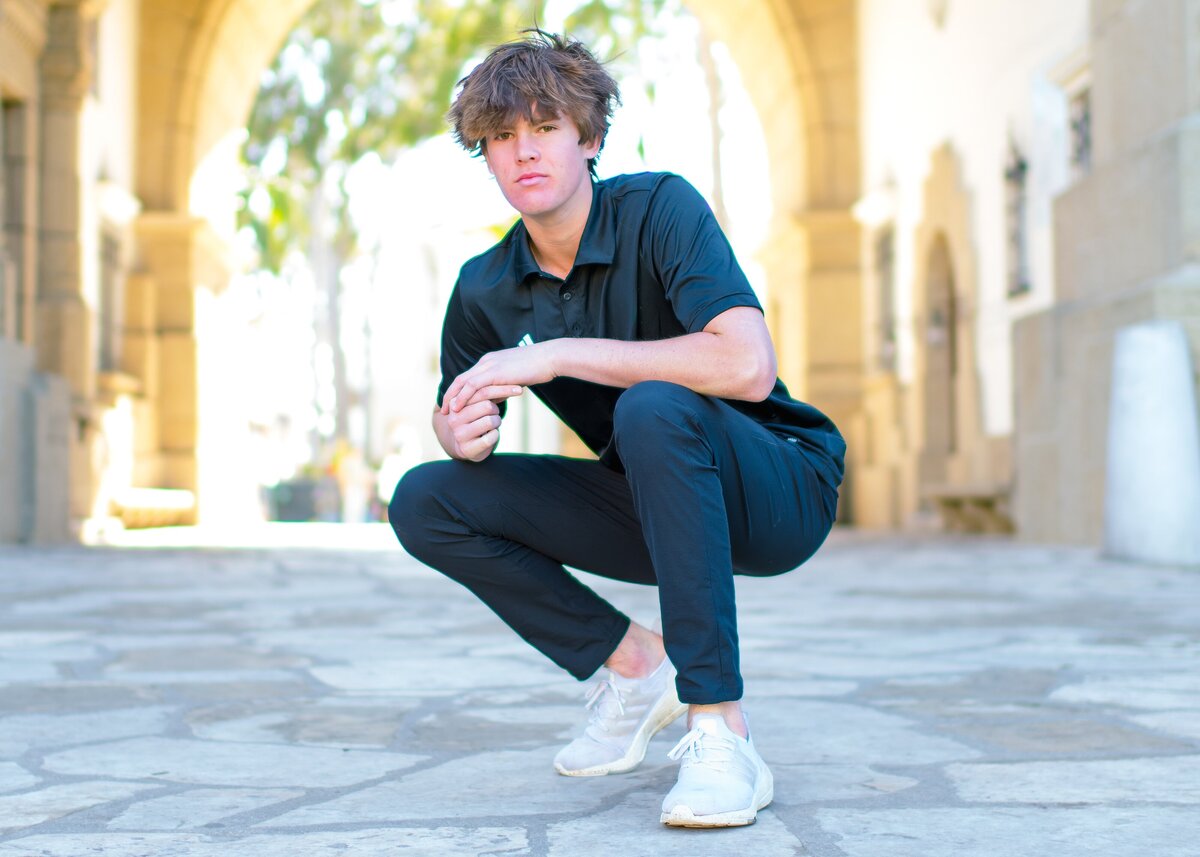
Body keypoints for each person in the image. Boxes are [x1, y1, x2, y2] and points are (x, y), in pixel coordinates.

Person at [389, 29, 844, 828]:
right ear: (484, 157)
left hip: (778, 485)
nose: (522, 151)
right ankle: (636, 667)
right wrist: (457, 429)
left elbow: (747, 366)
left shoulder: (660, 208)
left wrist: (555, 355)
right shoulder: (484, 289)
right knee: (426, 499)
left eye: (543, 127)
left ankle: (721, 731)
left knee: (653, 404)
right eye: (500, 137)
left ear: (589, 137)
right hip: (653, 502)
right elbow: (456, 412)